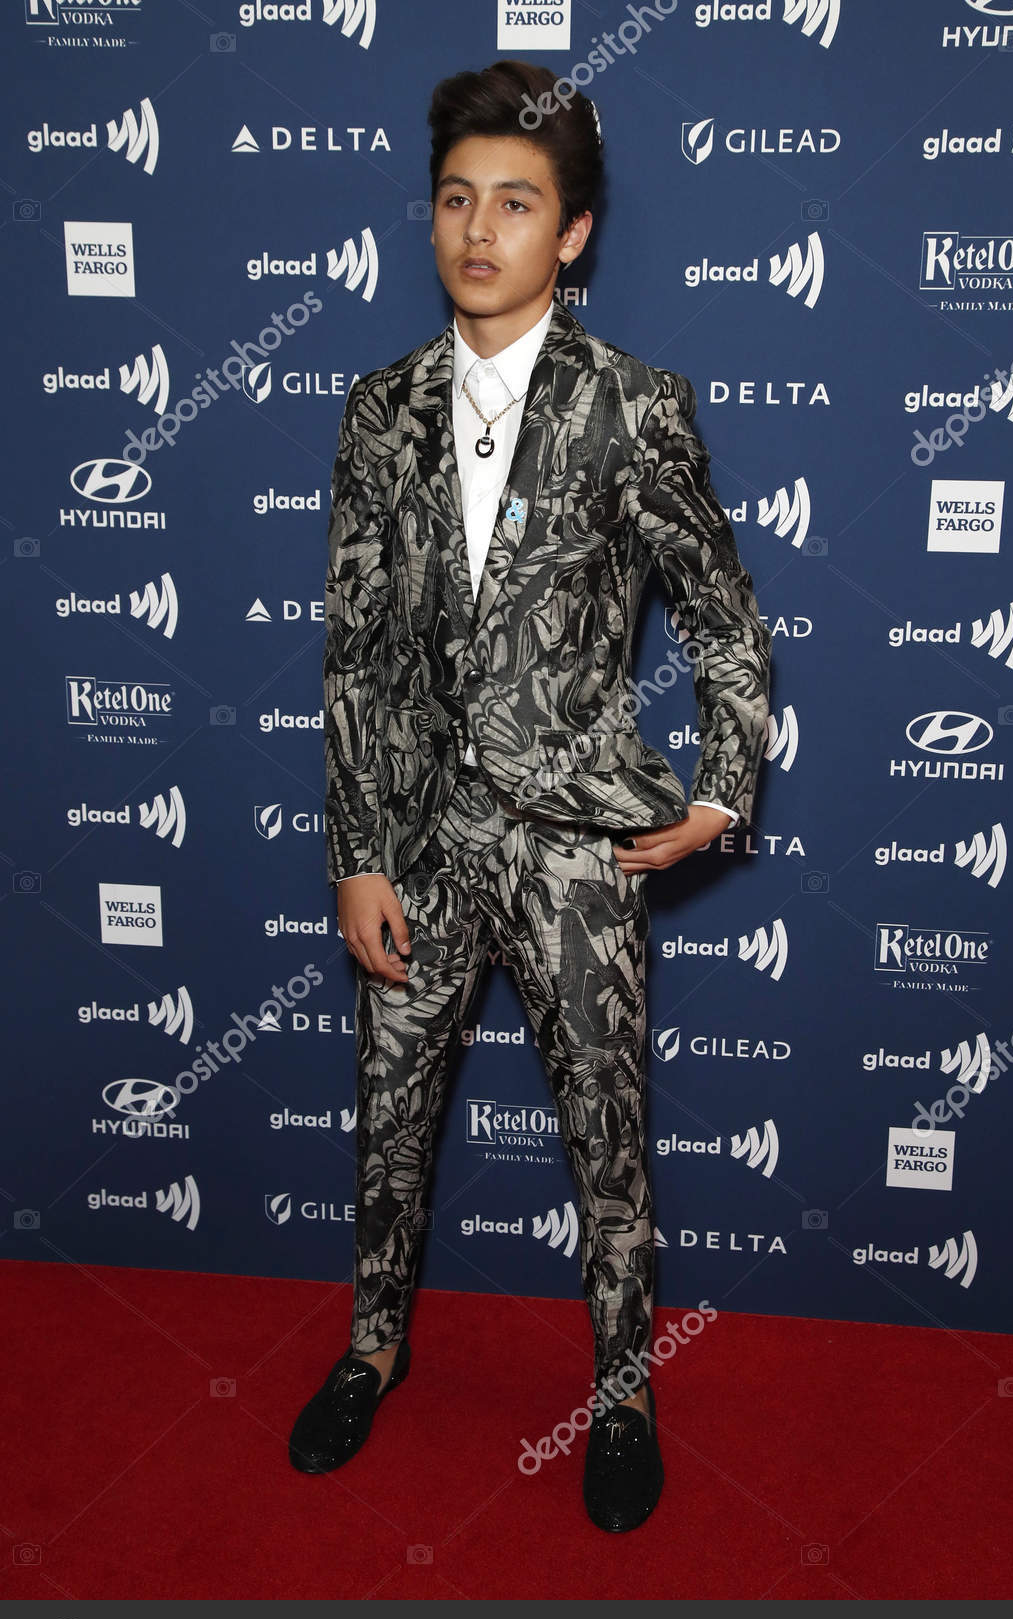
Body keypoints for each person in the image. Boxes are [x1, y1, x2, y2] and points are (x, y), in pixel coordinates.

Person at [288, 59, 772, 1534]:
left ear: (570, 233)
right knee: (389, 1121)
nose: (477, 229)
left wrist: (720, 787)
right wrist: (358, 853)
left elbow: (725, 619)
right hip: (419, 846)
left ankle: (621, 1391)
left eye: (515, 202)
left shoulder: (637, 408)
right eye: (455, 198)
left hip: (578, 849)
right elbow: (357, 648)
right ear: (430, 219)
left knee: (608, 1145)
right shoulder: (380, 411)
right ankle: (375, 1347)